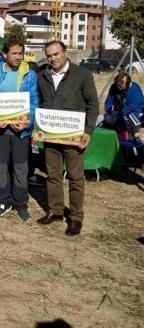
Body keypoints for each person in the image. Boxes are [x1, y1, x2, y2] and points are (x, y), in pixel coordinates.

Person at [36, 41, 98, 236]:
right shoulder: (42, 76)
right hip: (50, 136)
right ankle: (56, 211)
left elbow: (93, 105)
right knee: (52, 175)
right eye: (49, 56)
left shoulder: (82, 75)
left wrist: (88, 130)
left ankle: (76, 217)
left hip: (74, 136)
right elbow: (38, 102)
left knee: (75, 177)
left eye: (56, 54)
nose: (53, 59)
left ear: (65, 53)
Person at [0, 41, 39, 221]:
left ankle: (20, 203)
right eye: (14, 53)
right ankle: (3, 201)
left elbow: (34, 102)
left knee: (21, 168)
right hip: (0, 130)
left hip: (21, 131)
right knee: (2, 167)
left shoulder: (30, 74)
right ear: (5, 54)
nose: (18, 57)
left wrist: (27, 124)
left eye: (20, 53)